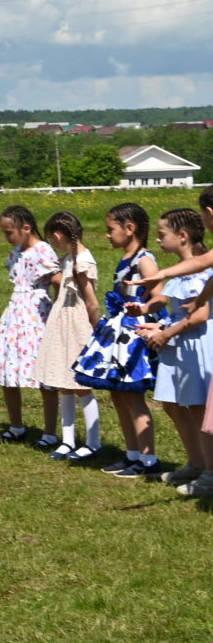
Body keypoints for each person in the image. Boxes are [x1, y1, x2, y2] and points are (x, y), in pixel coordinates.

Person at [73, 202, 162, 480]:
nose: (107, 235)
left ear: (129, 228)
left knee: (134, 398)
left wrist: (145, 315)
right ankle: (132, 453)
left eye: (110, 230)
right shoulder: (126, 259)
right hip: (118, 336)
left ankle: (149, 458)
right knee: (119, 395)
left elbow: (158, 294)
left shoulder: (144, 259)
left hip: (133, 337)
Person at [133, 208, 212, 492]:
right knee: (175, 404)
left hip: (198, 342)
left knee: (199, 407)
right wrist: (157, 324)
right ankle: (196, 462)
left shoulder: (203, 270)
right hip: (179, 343)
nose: (157, 239)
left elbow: (201, 315)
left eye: (161, 234)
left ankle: (209, 473)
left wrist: (166, 332)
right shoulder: (181, 272)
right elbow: (176, 309)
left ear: (182, 236)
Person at [0, 205, 59, 445]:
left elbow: (57, 279)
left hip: (36, 314)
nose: (7, 237)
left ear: (26, 228)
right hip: (15, 315)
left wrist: (58, 310)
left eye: (9, 232)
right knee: (7, 369)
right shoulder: (18, 251)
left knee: (44, 375)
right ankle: (16, 427)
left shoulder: (43, 250)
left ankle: (49, 432)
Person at [38, 212, 103, 464]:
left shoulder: (83, 261)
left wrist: (97, 332)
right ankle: (68, 440)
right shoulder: (69, 259)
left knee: (81, 386)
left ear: (57, 235)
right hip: (63, 324)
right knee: (64, 382)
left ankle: (93, 441)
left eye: (52, 240)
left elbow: (92, 302)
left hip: (78, 326)